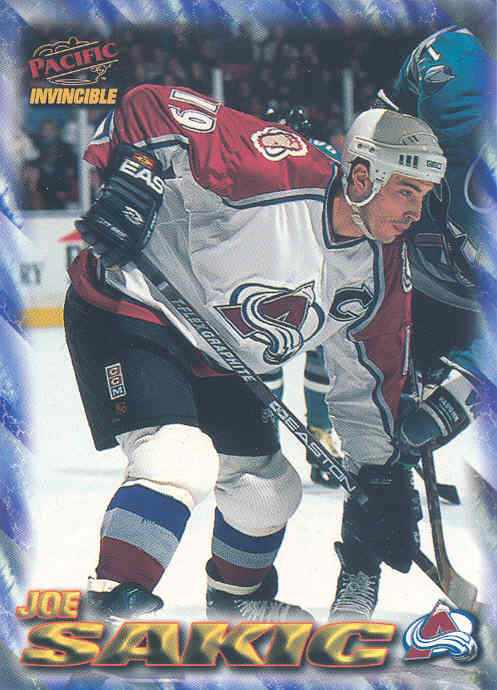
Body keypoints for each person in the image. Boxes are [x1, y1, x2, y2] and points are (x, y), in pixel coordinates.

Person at [64, 84, 446, 622]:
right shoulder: (274, 166)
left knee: (268, 489)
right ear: (363, 177)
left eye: (424, 195)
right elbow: (147, 105)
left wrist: (379, 477)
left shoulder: (381, 271)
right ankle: (108, 599)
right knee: (178, 458)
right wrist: (136, 171)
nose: (415, 211)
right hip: (134, 306)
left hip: (221, 352)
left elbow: (367, 385)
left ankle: (234, 601)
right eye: (407, 192)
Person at [274, 27, 494, 619]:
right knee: (381, 433)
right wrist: (320, 156)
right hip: (411, 280)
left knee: (438, 419)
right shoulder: (457, 76)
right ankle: (360, 567)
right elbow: (385, 127)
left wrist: (463, 390)